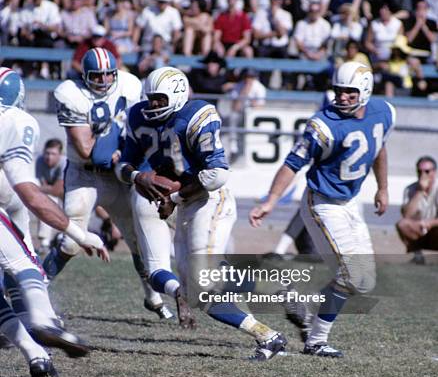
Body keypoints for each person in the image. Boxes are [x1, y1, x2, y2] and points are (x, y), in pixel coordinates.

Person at [116, 66, 287, 361]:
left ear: (177, 95)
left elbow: (217, 174)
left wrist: (175, 196)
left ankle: (271, 320)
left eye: (159, 99)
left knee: (203, 286)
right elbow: (122, 165)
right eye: (150, 98)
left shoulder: (197, 115)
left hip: (208, 200)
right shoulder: (138, 115)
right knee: (198, 293)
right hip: (182, 202)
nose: (152, 105)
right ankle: (268, 329)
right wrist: (137, 177)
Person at [250, 61, 396, 357]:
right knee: (351, 275)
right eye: (338, 91)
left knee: (364, 281)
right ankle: (316, 340)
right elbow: (293, 164)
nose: (342, 97)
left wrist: (382, 187)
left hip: (352, 202)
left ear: (365, 91)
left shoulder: (384, 112)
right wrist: (270, 201)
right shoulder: (322, 124)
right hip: (323, 203)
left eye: (349, 93)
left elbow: (379, 148)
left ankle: (301, 308)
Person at [43, 49, 173, 321]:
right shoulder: (71, 93)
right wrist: (113, 135)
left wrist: (126, 152)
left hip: (117, 173)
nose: (103, 80)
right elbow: (88, 149)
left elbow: (139, 130)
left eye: (107, 74)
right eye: (96, 75)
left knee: (137, 240)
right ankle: (36, 291)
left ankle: (153, 297)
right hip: (85, 173)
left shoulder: (130, 84)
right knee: (71, 241)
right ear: (84, 75)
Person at [0, 67, 108, 377]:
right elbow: (30, 195)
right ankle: (44, 320)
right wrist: (79, 232)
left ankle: (37, 356)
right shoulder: (16, 120)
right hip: (10, 197)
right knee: (24, 264)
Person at [396, 156, 438, 264]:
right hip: (420, 231)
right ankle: (417, 256)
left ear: (434, 172)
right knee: (402, 224)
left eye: (427, 171)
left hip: (435, 230)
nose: (423, 175)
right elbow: (407, 215)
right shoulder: (410, 189)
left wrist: (430, 223)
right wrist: (420, 192)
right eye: (420, 171)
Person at [35, 138, 66, 255]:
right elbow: (44, 186)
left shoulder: (64, 162)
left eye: (53, 154)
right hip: (52, 194)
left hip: (68, 195)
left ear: (60, 154)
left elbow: (58, 190)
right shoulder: (40, 161)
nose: (49, 157)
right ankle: (45, 243)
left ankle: (66, 240)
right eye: (47, 153)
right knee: (45, 201)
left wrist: (45, 189)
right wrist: (47, 189)